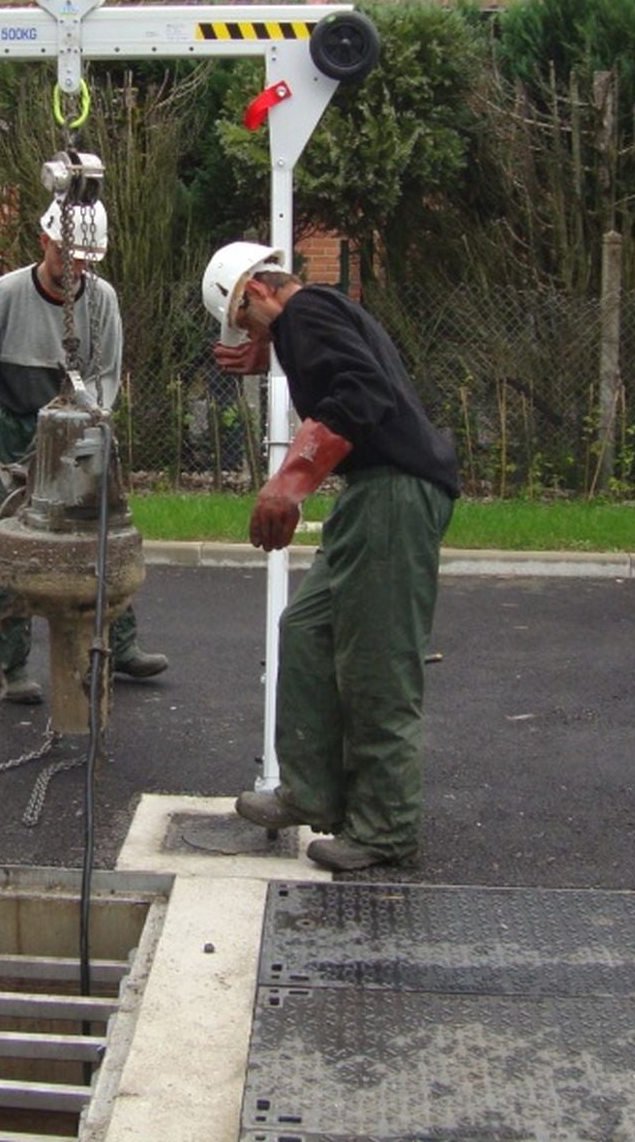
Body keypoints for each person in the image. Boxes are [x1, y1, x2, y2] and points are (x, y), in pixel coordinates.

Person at [206, 242, 458, 872]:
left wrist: (290, 481)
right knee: (307, 630)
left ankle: (385, 829)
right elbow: (345, 367)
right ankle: (312, 790)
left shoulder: (306, 312)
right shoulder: (311, 318)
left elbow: (361, 392)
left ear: (255, 291)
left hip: (395, 495)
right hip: (374, 494)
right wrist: (274, 350)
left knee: (378, 664)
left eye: (244, 320)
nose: (247, 333)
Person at [0, 201, 169, 704]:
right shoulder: (7, 294)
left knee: (100, 535)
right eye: (66, 253)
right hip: (20, 430)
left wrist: (88, 420)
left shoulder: (102, 299)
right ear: (44, 240)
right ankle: (9, 667)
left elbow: (106, 373)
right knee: (16, 541)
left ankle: (119, 645)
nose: (74, 267)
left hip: (83, 429)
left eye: (84, 258)